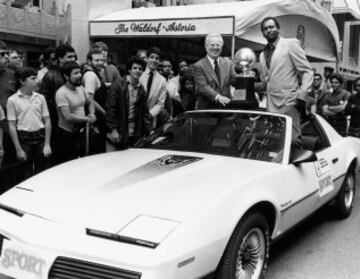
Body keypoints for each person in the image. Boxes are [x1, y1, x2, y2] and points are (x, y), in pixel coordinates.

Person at [259, 17, 313, 146]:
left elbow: (307, 71)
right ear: (262, 33)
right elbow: (267, 81)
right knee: (275, 142)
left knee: (292, 141)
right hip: (271, 105)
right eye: (265, 29)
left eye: (271, 27)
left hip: (290, 102)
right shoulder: (262, 54)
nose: (268, 30)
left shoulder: (291, 44)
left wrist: (302, 96)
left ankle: (299, 165)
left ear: (278, 29)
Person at [7, 67, 51, 181]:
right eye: (33, 78)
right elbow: (11, 125)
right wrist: (18, 149)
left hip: (40, 137)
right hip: (23, 139)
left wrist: (47, 144)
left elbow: (47, 121)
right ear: (22, 81)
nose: (37, 81)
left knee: (42, 172)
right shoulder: (12, 100)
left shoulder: (40, 97)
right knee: (25, 174)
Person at [106, 56, 152, 150]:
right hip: (119, 131)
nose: (137, 71)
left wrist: (149, 132)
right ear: (129, 70)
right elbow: (110, 109)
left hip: (134, 132)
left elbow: (145, 113)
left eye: (140, 69)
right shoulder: (118, 85)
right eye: (135, 68)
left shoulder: (142, 90)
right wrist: (113, 130)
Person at [54, 61, 95, 164]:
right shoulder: (61, 93)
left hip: (81, 131)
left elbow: (90, 102)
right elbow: (67, 117)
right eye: (76, 73)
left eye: (80, 72)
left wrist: (92, 113)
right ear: (66, 76)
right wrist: (86, 119)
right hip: (66, 135)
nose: (80, 75)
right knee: (68, 164)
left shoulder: (81, 88)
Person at [193, 33, 236, 109]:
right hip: (207, 113)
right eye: (212, 45)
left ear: (221, 47)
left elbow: (235, 81)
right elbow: (203, 87)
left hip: (226, 110)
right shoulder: (198, 65)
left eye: (218, 45)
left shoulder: (228, 63)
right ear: (206, 46)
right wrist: (218, 97)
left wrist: (246, 76)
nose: (215, 47)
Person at [40, 44, 77, 133]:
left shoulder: (77, 74)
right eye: (69, 57)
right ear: (60, 59)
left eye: (74, 57)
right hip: (57, 124)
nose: (73, 59)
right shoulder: (50, 76)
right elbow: (44, 101)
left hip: (76, 121)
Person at [82, 48, 106, 154]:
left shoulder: (95, 73)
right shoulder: (90, 75)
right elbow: (90, 100)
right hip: (95, 116)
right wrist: (105, 113)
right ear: (89, 61)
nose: (100, 63)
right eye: (97, 60)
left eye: (102, 60)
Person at [139, 47, 167, 128]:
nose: (154, 60)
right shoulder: (139, 74)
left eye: (157, 58)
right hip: (135, 118)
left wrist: (149, 115)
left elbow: (160, 104)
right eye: (151, 57)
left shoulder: (162, 80)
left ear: (159, 61)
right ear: (147, 58)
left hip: (150, 121)